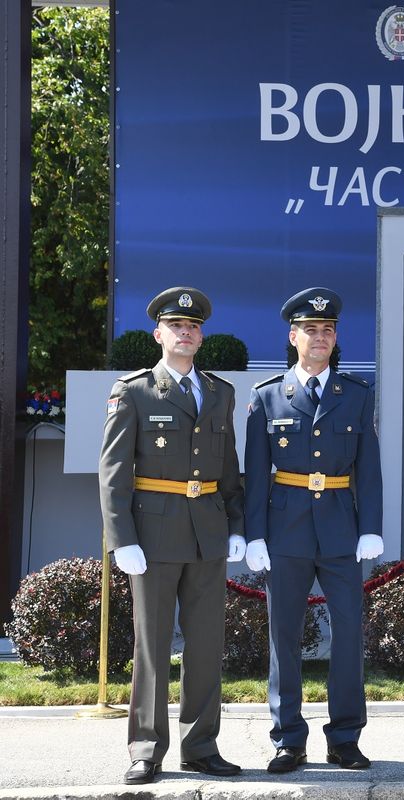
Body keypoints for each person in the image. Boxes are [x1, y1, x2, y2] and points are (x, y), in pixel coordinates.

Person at [99, 287, 245, 785]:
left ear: (201, 336)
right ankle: (146, 747)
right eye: (176, 326)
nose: (186, 333)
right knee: (152, 645)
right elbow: (114, 470)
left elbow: (229, 468)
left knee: (206, 644)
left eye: (193, 326)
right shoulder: (135, 390)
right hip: (154, 534)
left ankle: (201, 746)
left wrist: (237, 525)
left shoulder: (220, 392)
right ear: (158, 335)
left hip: (208, 530)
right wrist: (123, 537)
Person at [243, 288, 384, 773]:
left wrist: (372, 526)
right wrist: (254, 534)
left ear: (335, 337)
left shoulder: (357, 396)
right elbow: (255, 473)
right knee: (284, 635)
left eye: (327, 330)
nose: (319, 337)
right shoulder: (266, 398)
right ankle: (288, 738)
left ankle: (345, 737)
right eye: (310, 330)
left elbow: (369, 468)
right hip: (285, 531)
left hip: (341, 529)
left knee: (348, 634)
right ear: (293, 336)